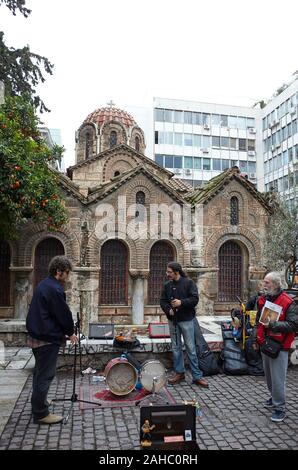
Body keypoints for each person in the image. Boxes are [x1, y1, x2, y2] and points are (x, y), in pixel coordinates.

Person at [26, 255, 78, 425]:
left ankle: (39, 403)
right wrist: (70, 332)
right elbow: (63, 315)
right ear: (59, 272)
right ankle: (41, 413)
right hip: (46, 339)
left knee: (39, 374)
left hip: (37, 336)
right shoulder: (54, 289)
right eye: (67, 273)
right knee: (45, 376)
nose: (68, 277)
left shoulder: (43, 284)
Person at [252, 272, 298, 422]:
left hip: (280, 344)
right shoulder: (263, 299)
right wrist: (255, 337)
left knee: (278, 378)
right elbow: (258, 320)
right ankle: (274, 398)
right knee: (270, 376)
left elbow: (293, 325)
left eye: (267, 283)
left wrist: (273, 324)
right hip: (266, 342)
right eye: (264, 282)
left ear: (276, 284)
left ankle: (280, 408)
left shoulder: (288, 302)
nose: (264, 285)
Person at [160, 261, 208, 387]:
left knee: (191, 348)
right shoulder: (167, 285)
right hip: (173, 321)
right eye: (167, 272)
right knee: (176, 348)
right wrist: (168, 310)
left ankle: (197, 376)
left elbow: (194, 299)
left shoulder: (188, 283)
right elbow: (163, 301)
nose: (167, 274)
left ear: (176, 272)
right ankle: (179, 373)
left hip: (186, 320)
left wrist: (181, 302)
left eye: (169, 272)